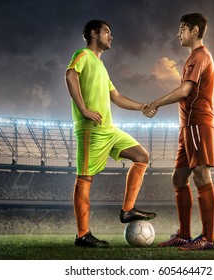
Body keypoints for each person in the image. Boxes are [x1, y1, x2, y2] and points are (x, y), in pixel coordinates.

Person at [65, 19, 156, 247]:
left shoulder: (101, 67)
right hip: (91, 131)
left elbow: (116, 96)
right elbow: (70, 75)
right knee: (85, 179)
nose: (111, 36)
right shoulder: (83, 55)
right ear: (94, 33)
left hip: (109, 130)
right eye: (107, 31)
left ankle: (127, 210)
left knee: (141, 156)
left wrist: (141, 106)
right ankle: (82, 235)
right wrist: (84, 109)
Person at [144, 13, 214, 251]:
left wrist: (156, 102)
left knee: (201, 176)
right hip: (187, 126)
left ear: (194, 31)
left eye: (182, 29)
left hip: (197, 122)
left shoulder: (199, 57)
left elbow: (186, 90)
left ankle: (208, 238)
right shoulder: (193, 58)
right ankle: (184, 235)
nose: (179, 33)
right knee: (178, 179)